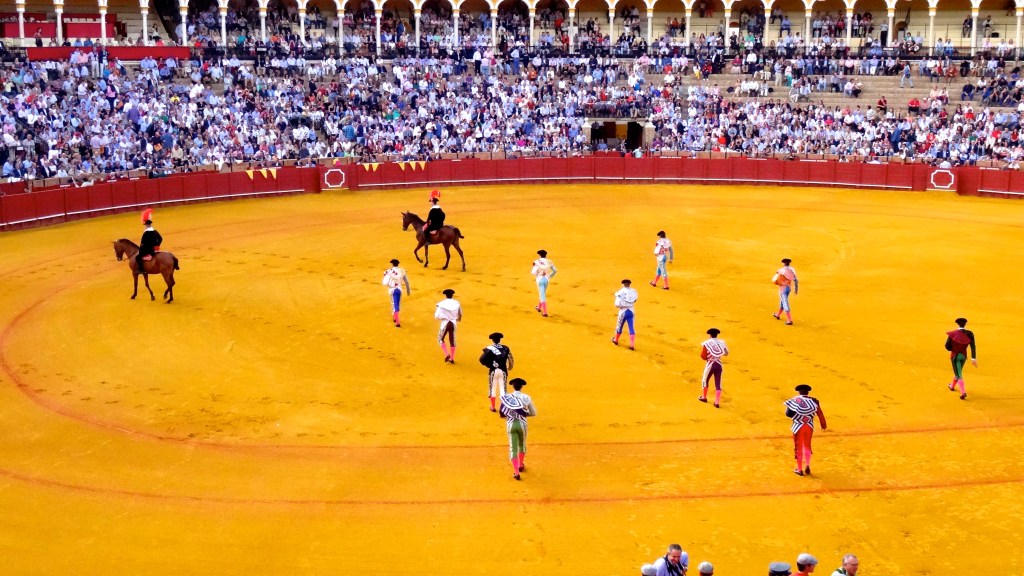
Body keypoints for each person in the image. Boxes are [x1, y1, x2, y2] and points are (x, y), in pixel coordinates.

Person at [498, 378, 536, 480]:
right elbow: (533, 413)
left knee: (512, 448)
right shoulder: (526, 398)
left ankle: (516, 472)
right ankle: (520, 465)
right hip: (522, 424)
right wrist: (524, 414)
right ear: (521, 387)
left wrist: (509, 415)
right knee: (522, 445)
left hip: (511, 424)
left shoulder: (507, 398)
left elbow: (501, 412)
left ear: (513, 386)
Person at [785, 384, 827, 476]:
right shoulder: (814, 401)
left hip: (798, 426)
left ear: (799, 392)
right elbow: (820, 413)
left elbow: (788, 414)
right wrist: (823, 425)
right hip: (809, 426)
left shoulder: (794, 400)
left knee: (798, 446)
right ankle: (807, 464)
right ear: (808, 392)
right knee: (807, 445)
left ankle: (799, 469)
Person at [480, 332, 514, 412]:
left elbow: (481, 359)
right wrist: (509, 367)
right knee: (503, 389)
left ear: (492, 340)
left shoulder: (489, 348)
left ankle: (492, 406)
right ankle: (502, 408)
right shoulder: (505, 348)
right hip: (503, 370)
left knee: (492, 388)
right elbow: (511, 360)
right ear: (500, 339)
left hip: (493, 371)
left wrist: (490, 365)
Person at [945, 317, 978, 400]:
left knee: (958, 374)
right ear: (965, 324)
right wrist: (973, 358)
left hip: (955, 356)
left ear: (958, 324)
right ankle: (952, 386)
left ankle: (963, 392)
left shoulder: (953, 334)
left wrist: (953, 348)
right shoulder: (970, 334)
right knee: (958, 371)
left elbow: (947, 346)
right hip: (963, 356)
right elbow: (973, 346)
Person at [699, 328, 729, 408]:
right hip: (719, 364)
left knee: (705, 380)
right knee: (718, 383)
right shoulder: (721, 342)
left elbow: (703, 356)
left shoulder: (707, 343)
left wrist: (709, 357)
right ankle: (716, 402)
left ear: (710, 335)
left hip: (710, 364)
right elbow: (726, 353)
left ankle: (704, 397)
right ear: (717, 335)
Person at [435, 288, 462, 363]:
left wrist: (444, 317)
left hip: (445, 323)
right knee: (452, 340)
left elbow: (437, 316)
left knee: (440, 339)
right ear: (452, 295)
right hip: (453, 323)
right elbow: (460, 315)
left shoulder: (441, 304)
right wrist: (454, 318)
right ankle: (452, 358)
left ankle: (447, 354)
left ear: (445, 295)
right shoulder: (457, 303)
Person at [382, 258, 411, 327]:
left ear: (392, 264)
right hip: (399, 290)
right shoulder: (402, 271)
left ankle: (396, 320)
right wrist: (408, 291)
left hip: (392, 290)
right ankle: (395, 317)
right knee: (397, 304)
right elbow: (406, 282)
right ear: (398, 264)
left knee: (393, 304)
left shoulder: (388, 271)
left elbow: (385, 281)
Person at [612, 279, 638, 350]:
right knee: (631, 328)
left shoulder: (620, 292)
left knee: (619, 326)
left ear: (623, 284)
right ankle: (632, 345)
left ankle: (616, 340)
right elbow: (635, 300)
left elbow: (617, 304)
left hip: (623, 312)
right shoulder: (634, 291)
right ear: (629, 284)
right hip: (631, 311)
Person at [531, 249, 558, 317]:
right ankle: (539, 307)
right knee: (542, 293)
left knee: (542, 295)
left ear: (539, 255)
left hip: (539, 280)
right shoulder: (549, 261)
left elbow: (533, 272)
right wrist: (549, 276)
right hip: (546, 279)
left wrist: (537, 270)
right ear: (546, 255)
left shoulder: (536, 262)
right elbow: (555, 270)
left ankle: (545, 312)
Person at [772, 258, 799, 325]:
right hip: (788, 288)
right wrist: (796, 289)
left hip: (783, 289)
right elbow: (796, 280)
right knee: (783, 301)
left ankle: (789, 320)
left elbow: (775, 280)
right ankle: (777, 314)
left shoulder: (781, 270)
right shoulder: (792, 270)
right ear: (789, 263)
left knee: (784, 302)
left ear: (783, 263)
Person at [137, 208, 163, 275]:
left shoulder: (146, 233)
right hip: (155, 249)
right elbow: (160, 238)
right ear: (150, 225)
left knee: (138, 257)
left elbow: (143, 244)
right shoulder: (155, 231)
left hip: (148, 250)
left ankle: (142, 270)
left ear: (146, 225)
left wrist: (140, 250)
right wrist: (157, 245)